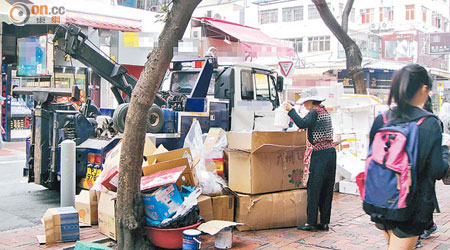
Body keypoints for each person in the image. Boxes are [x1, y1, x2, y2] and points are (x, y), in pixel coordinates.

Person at [368, 64, 449, 250]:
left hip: (379, 201)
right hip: (411, 207)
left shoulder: (383, 118)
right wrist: (445, 150)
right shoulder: (429, 123)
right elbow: (437, 169)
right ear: (423, 89)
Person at [284, 87, 336, 232]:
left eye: (306, 102)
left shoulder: (314, 112)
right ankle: (324, 222)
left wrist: (290, 110)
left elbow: (301, 123)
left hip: (319, 154)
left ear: (312, 101)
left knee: (314, 187)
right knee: (327, 188)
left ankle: (311, 223)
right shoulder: (325, 112)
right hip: (331, 153)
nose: (305, 105)